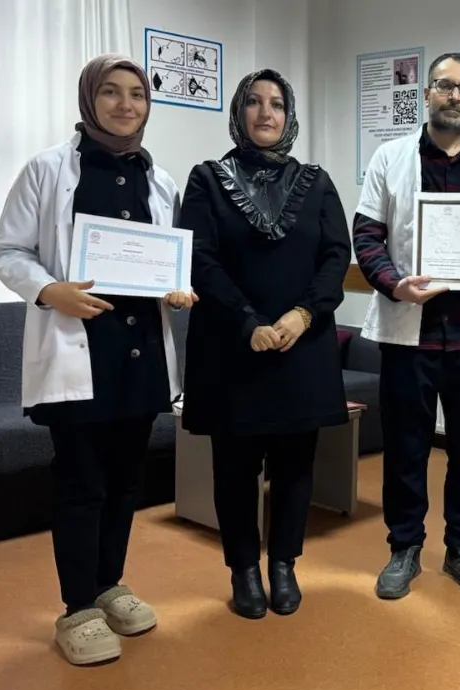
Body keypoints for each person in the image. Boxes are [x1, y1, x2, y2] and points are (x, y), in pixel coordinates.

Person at [0, 55, 192, 666]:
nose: (125, 104)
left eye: (137, 94)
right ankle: (78, 606)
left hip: (141, 355)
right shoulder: (49, 169)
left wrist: (178, 288)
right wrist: (49, 290)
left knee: (126, 482)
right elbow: (7, 249)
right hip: (78, 352)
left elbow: (170, 260)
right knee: (81, 485)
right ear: (89, 99)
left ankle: (110, 584)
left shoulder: (161, 181)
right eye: (110, 92)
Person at [179, 69, 351, 620]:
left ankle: (283, 565)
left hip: (303, 344)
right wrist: (247, 321)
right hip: (232, 347)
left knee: (296, 464)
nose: (265, 113)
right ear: (239, 112)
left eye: (276, 104)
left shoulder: (317, 182)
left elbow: (335, 256)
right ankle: (244, 570)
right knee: (234, 467)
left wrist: (303, 314)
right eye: (253, 102)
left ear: (288, 115)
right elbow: (199, 258)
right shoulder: (208, 180)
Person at [354, 52, 460, 600]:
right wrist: (393, 284)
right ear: (427, 93)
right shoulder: (390, 157)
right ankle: (404, 546)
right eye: (445, 85)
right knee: (406, 448)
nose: (455, 96)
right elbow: (366, 236)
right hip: (410, 332)